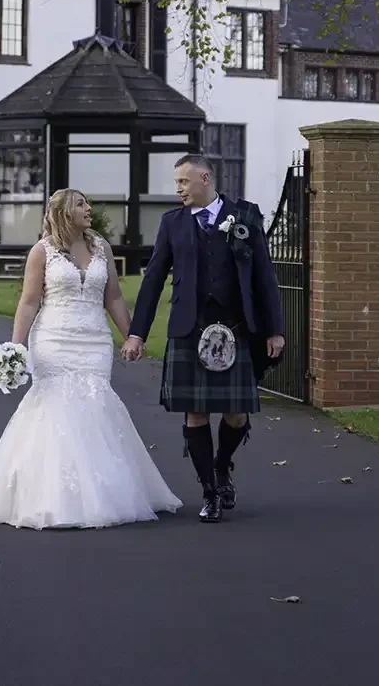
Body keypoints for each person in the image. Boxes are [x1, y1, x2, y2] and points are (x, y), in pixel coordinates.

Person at [0, 189, 181, 529]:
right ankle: (52, 498)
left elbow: (113, 296)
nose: (89, 209)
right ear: (63, 213)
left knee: (95, 403)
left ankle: (103, 493)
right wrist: (15, 347)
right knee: (55, 409)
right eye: (82, 204)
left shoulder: (101, 247)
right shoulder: (41, 252)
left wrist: (132, 335)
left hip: (94, 341)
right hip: (54, 340)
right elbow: (29, 302)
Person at [123, 155, 285, 523]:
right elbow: (152, 281)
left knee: (235, 412)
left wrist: (275, 329)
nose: (178, 188)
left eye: (183, 181)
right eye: (177, 182)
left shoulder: (245, 217)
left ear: (205, 178)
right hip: (189, 329)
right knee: (195, 413)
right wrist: (137, 333)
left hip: (237, 330)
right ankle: (210, 492)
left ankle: (222, 464)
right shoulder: (172, 223)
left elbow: (264, 277)